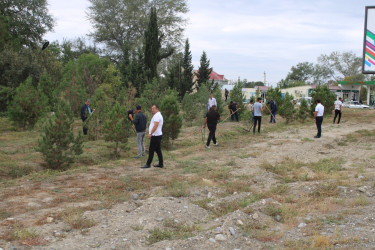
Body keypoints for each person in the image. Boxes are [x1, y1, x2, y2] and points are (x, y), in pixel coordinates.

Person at [142, 104, 164, 169]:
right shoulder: (158, 115)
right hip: (157, 135)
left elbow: (156, 125)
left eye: (153, 109)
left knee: (151, 150)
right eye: (152, 109)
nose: (152, 110)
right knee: (158, 150)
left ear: (157, 109)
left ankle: (148, 164)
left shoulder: (157, 115)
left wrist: (150, 133)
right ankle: (161, 164)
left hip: (155, 135)